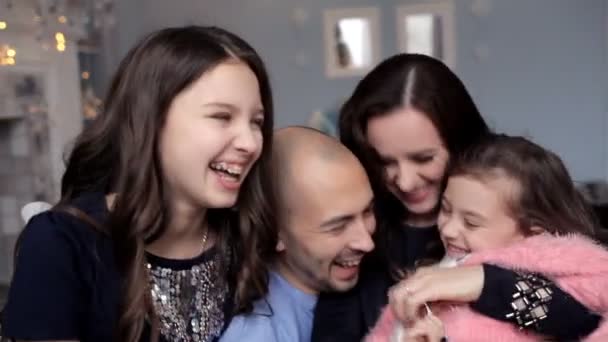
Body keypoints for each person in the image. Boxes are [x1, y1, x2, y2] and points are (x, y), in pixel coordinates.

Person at [1, 25, 275, 342]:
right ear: (151, 121)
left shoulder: (248, 239)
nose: (250, 143)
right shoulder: (61, 243)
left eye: (257, 122)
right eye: (221, 117)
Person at [312, 53, 601, 341]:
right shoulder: (358, 236)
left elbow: (584, 319)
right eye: (385, 162)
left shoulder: (512, 204)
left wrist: (483, 282)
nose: (405, 180)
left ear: (459, 142)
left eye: (423, 158)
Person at [367, 134, 608, 341]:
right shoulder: (433, 277)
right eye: (446, 209)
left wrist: (487, 283)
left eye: (471, 222)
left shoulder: (572, 274)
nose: (449, 229)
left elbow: (581, 321)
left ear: (531, 234)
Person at [220, 126, 376, 342]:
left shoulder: (376, 276)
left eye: (368, 211)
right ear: (275, 233)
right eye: (338, 226)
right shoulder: (258, 334)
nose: (367, 243)